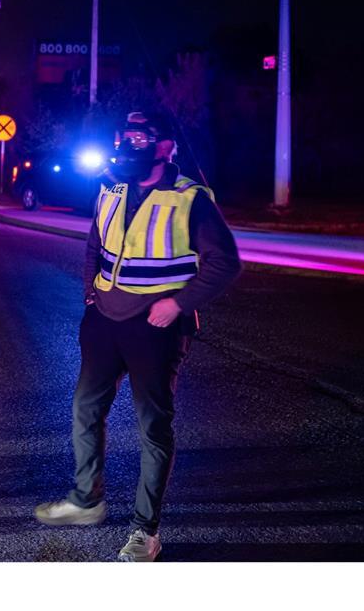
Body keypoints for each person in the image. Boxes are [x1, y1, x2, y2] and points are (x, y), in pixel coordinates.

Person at [34, 111, 242, 561]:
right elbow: (95, 244)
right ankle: (86, 501)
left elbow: (225, 262)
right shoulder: (111, 186)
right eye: (125, 135)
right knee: (85, 410)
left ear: (165, 145)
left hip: (156, 329)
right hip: (104, 321)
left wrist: (177, 305)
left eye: (142, 136)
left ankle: (145, 531)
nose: (130, 144)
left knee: (152, 426)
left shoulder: (190, 198)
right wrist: (91, 294)